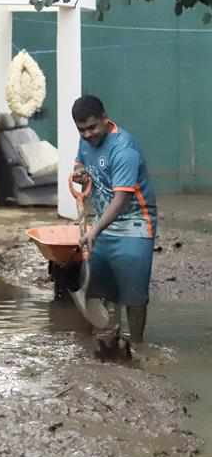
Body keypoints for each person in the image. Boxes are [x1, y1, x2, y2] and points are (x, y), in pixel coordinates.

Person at [70, 95, 157, 345]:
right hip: (103, 222)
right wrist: (80, 173)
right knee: (103, 288)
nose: (87, 134)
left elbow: (121, 200)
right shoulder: (85, 141)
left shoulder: (124, 149)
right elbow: (80, 162)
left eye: (92, 127)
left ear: (105, 118)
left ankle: (138, 344)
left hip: (135, 225)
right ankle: (112, 337)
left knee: (133, 293)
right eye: (81, 129)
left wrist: (94, 230)